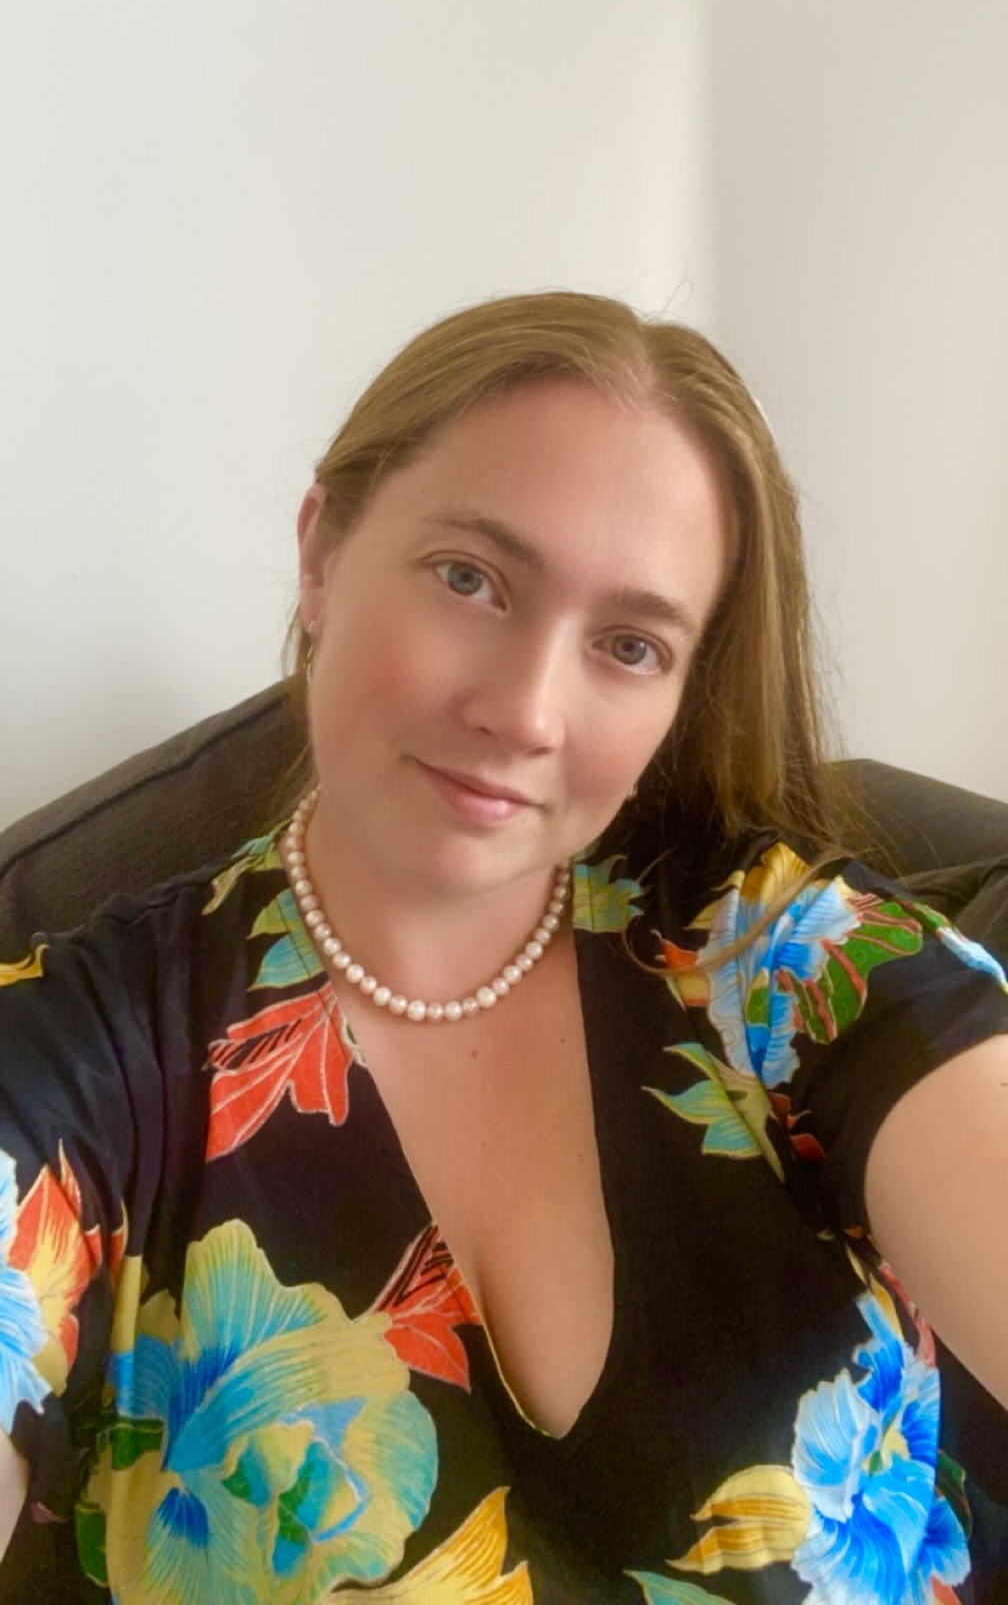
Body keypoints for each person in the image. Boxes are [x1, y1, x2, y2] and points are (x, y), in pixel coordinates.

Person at [0, 290, 1005, 1603]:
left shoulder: (781, 954)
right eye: (469, 578)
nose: (528, 710)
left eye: (629, 646)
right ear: (321, 556)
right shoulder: (87, 1054)